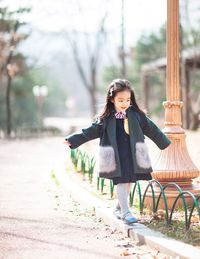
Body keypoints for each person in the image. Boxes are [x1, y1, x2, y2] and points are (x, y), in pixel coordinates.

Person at [64, 79, 171, 224]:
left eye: (127, 99)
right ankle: (126, 212)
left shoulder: (136, 115)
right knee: (121, 182)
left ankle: (118, 208)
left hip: (133, 155)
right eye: (120, 100)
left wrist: (163, 142)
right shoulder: (106, 119)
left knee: (129, 183)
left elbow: (151, 128)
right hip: (115, 156)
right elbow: (90, 131)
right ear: (112, 99)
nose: (124, 103)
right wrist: (74, 139)